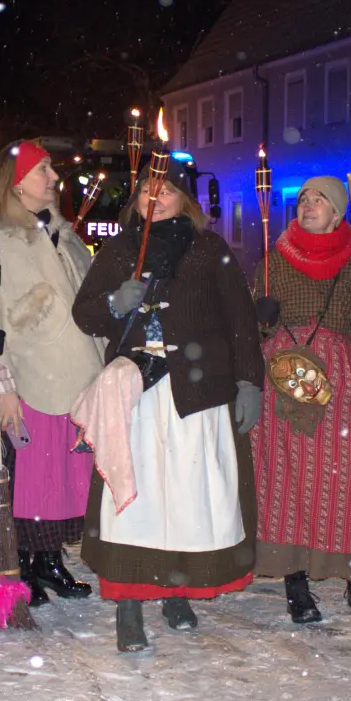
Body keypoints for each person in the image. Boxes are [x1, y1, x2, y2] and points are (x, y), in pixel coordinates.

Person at [71, 155, 263, 652]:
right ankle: (130, 606)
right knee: (137, 502)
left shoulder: (208, 249)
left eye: (166, 192)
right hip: (137, 395)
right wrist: (116, 303)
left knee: (185, 499)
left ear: (186, 200)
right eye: (145, 193)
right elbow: (85, 312)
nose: (154, 202)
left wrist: (249, 383)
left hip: (196, 394)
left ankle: (177, 589)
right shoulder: (119, 250)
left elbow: (239, 320)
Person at [0, 139, 101, 606]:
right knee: (34, 480)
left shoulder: (64, 235)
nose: (53, 177)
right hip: (32, 379)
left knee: (65, 477)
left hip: (75, 375)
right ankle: (26, 563)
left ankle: (49, 563)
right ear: (18, 181)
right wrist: (4, 389)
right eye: (43, 169)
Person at [251, 176, 351, 623]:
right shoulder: (275, 257)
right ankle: (296, 581)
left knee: (343, 480)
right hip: (285, 374)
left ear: (338, 212)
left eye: (319, 200)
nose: (308, 206)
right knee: (288, 478)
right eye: (304, 199)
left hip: (337, 376)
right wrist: (261, 316)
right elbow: (253, 320)